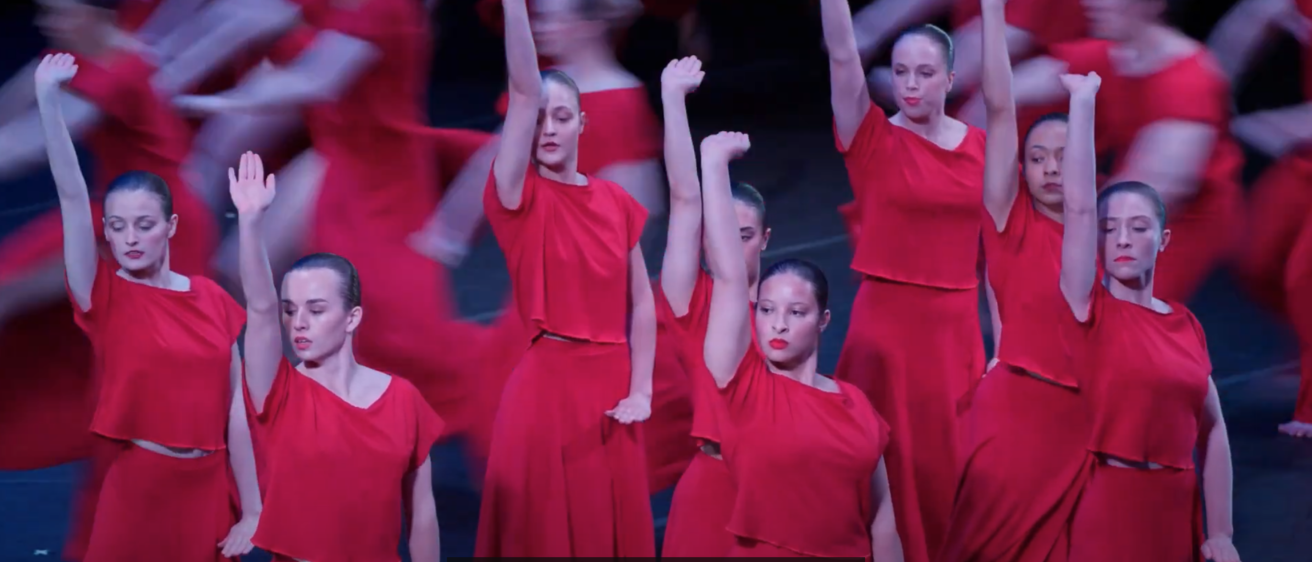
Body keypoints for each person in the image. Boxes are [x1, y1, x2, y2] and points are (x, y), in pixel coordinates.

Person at [173, 0, 493, 452]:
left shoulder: (386, 9)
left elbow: (314, 80)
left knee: (390, 331)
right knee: (242, 272)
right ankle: (290, 404)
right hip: (335, 153)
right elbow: (243, 19)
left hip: (378, 177)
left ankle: (313, 410)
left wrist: (200, 99)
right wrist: (171, 71)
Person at [34, 53, 259, 562]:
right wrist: (48, 99)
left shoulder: (213, 300)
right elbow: (72, 195)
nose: (131, 238)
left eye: (144, 224)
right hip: (139, 490)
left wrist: (252, 509)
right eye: (117, 227)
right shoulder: (103, 297)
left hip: (209, 491)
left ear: (170, 227)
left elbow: (235, 413)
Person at [474, 0, 656, 555]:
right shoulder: (518, 198)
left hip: (612, 384)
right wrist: (513, 8)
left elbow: (641, 303)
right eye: (538, 118)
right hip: (548, 385)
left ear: (583, 123)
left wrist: (642, 389)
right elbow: (523, 90)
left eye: (562, 116)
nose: (549, 128)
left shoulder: (616, 202)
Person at [820, 2, 986, 561]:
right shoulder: (872, 138)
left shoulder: (981, 148)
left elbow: (997, 252)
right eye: (900, 71)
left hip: (955, 333)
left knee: (950, 464)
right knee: (887, 465)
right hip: (887, 332)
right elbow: (842, 56)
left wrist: (1005, 340)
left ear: (951, 79)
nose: (910, 84)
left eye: (925, 72)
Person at [1055, 70, 1242, 562]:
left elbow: (1214, 430)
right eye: (1110, 228)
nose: (1121, 238)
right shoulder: (1088, 310)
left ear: (1163, 240)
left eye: (1138, 227)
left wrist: (1221, 532)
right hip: (1107, 510)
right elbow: (1078, 207)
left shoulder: (1185, 325)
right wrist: (1083, 103)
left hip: (1177, 512)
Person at [688, 131, 901, 560]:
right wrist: (712, 164)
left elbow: (882, 519)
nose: (778, 324)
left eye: (796, 312)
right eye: (767, 309)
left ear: (823, 320)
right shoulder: (745, 387)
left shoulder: (856, 405)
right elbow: (729, 277)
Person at [228, 151, 442, 562]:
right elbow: (260, 308)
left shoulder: (402, 400)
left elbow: (423, 516)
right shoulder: (280, 393)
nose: (299, 323)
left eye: (316, 309)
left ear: (351, 317)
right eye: (291, 310)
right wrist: (251, 223)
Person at [961, 0, 1245, 304]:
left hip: (1176, 221)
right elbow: (1006, 94)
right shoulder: (1112, 54)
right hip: (1121, 194)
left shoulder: (1190, 83)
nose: (1092, 3)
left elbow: (1149, 195)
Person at [938, 1, 1091, 560]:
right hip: (1019, 406)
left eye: (1064, 156)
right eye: (1038, 158)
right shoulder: (1009, 220)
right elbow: (1001, 109)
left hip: (1088, 411)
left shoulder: (1105, 234)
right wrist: (994, 12)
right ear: (1021, 169)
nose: (1051, 168)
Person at [410, 0, 663, 267]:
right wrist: (448, 233)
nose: (540, 28)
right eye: (541, 18)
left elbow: (638, 203)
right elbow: (494, 162)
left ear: (589, 26)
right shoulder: (548, 85)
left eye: (552, 19)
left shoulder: (616, 101)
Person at [652, 57, 774, 556]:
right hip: (715, 489)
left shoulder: (788, 305)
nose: (729, 244)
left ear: (765, 239)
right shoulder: (692, 301)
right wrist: (672, 98)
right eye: (720, 234)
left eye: (742, 235)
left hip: (781, 484)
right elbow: (685, 199)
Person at [1210, 0, 1312, 438]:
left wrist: (1254, 127)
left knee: (1303, 278)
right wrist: (1213, 92)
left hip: (1301, 136)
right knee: (1255, 257)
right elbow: (1251, 18)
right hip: (1304, 159)